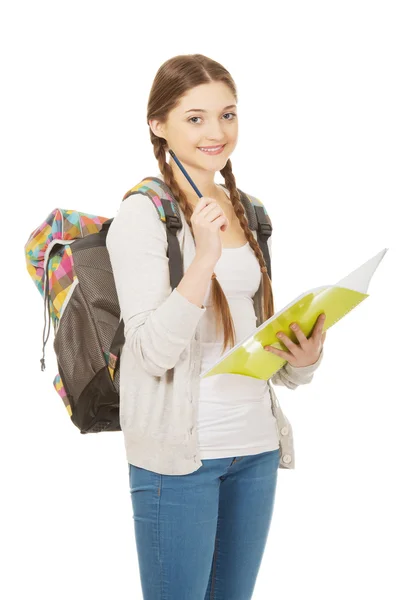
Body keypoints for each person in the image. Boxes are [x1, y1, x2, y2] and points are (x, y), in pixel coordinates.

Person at [106, 53, 326, 600]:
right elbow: (151, 353)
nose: (216, 132)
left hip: (256, 449)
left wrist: (303, 361)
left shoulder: (250, 211)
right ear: (159, 125)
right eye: (196, 117)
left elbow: (253, 342)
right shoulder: (145, 213)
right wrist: (202, 258)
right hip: (178, 460)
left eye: (227, 115)